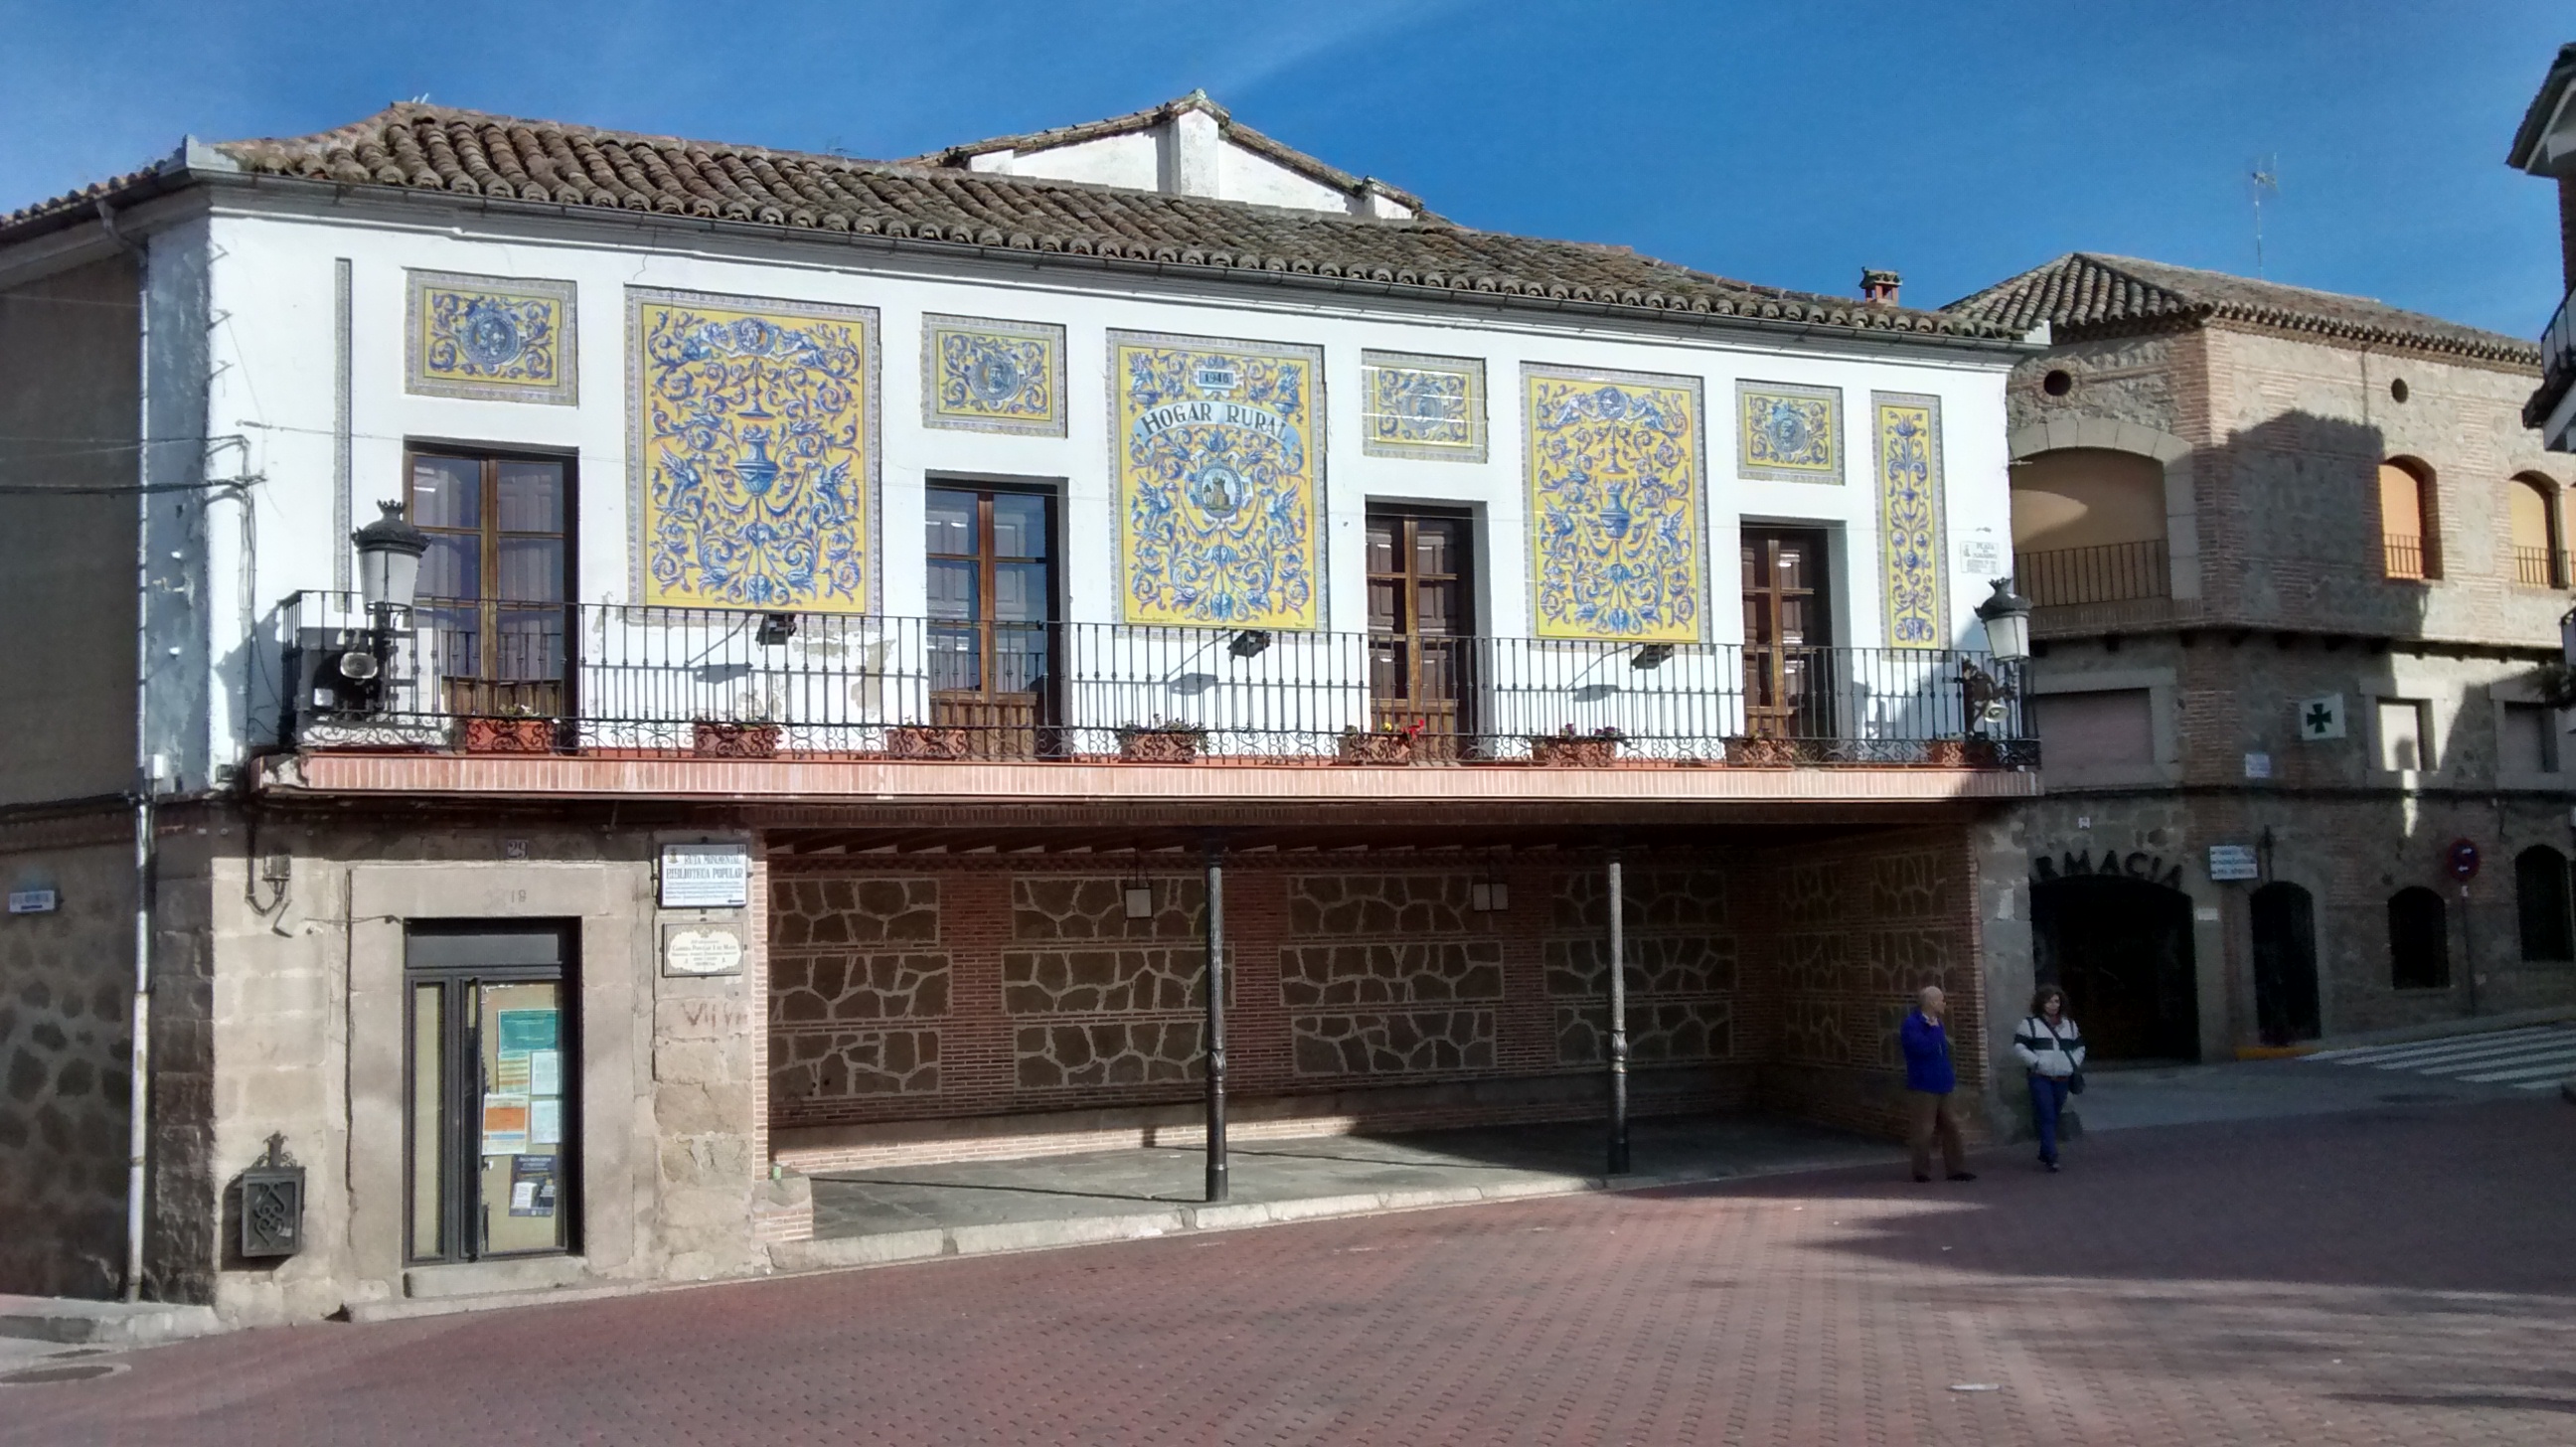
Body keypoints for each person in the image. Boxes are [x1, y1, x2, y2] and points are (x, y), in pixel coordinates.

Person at [1899, 984, 1974, 1183]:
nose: (1944, 1003)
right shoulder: (1912, 1024)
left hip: (1942, 1082)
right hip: (1923, 1084)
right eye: (1941, 999)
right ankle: (1921, 1170)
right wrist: (1931, 1031)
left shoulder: (1938, 1023)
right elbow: (1921, 1049)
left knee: (1951, 1126)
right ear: (1932, 1002)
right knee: (1924, 1129)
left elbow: (1942, 1051)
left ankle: (1956, 1168)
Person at [2012, 984, 2087, 1173]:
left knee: (2053, 1115)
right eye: (2049, 1001)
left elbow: (2079, 1047)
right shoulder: (2029, 1025)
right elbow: (2020, 1048)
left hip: (2062, 1077)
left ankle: (2046, 1151)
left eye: (2056, 1001)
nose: (2053, 1005)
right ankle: (2052, 1156)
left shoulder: (2069, 1025)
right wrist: (2037, 1063)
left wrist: (2072, 1064)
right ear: (2041, 1003)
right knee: (2047, 1115)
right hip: (2040, 1077)